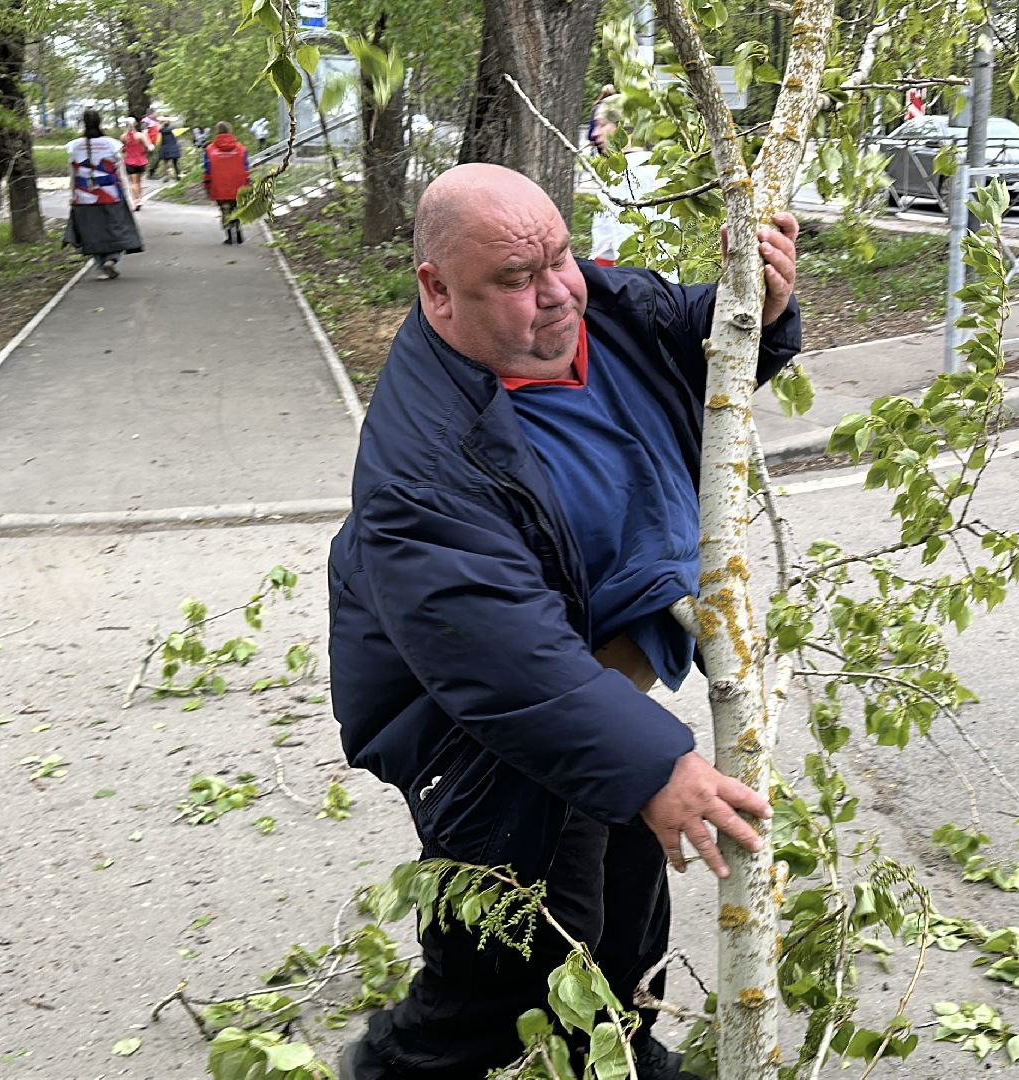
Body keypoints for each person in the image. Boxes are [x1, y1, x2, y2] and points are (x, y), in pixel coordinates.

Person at [328, 163, 801, 1080]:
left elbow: (711, 341)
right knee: (501, 973)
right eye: (515, 278)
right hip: (477, 728)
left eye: (559, 257)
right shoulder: (420, 463)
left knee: (622, 910)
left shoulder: (612, 310)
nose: (556, 295)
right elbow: (501, 653)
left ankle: (621, 1048)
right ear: (437, 291)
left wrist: (766, 308)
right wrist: (653, 761)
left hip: (595, 692)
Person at [62, 109, 143, 280]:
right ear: (100, 122)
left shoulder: (73, 146)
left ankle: (100, 267)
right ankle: (112, 259)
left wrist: (72, 195)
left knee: (91, 231)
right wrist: (127, 196)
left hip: (83, 196)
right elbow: (120, 172)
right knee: (117, 228)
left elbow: (72, 173)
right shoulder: (111, 144)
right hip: (110, 194)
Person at [201, 122, 251, 246]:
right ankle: (239, 230)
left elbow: (207, 168)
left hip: (219, 184)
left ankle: (229, 236)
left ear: (217, 132)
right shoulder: (241, 149)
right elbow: (246, 167)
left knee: (225, 210)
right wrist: (248, 183)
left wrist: (206, 184)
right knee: (237, 207)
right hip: (238, 184)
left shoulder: (210, 150)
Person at [120, 115, 154, 208]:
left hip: (129, 161)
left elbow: (123, 149)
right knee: (139, 181)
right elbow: (149, 147)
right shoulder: (140, 135)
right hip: (141, 161)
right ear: (135, 124)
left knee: (133, 182)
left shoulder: (123, 137)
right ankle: (140, 199)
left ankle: (136, 200)